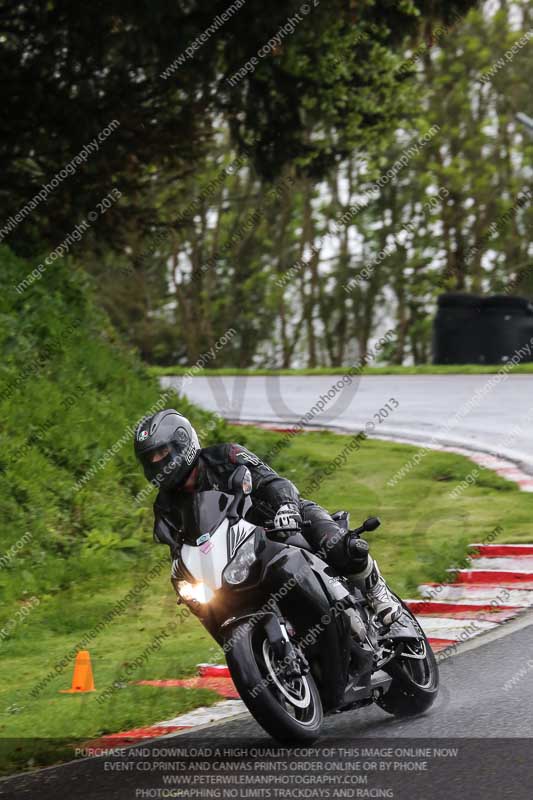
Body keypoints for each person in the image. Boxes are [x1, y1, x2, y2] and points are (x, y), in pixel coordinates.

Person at [134, 408, 401, 627]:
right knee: (210, 606)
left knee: (341, 547)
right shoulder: (165, 506)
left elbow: (274, 482)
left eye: (163, 453)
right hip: (237, 556)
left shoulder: (226, 456)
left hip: (281, 521)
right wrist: (183, 576)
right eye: (151, 459)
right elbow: (178, 548)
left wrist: (286, 508)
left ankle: (376, 591)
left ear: (183, 444)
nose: (158, 462)